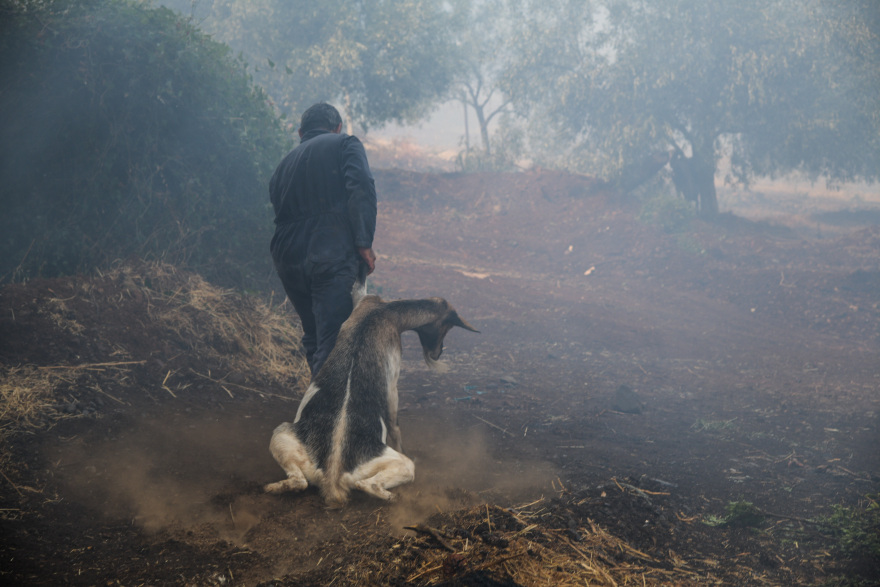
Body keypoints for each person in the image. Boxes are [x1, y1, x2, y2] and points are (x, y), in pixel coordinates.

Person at [269, 103, 377, 376]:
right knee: (333, 339)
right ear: (337, 127)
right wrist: (364, 242)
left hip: (287, 256)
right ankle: (325, 413)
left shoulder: (282, 165)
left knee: (314, 335)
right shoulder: (345, 143)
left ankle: (321, 399)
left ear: (300, 132)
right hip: (329, 249)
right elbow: (361, 186)